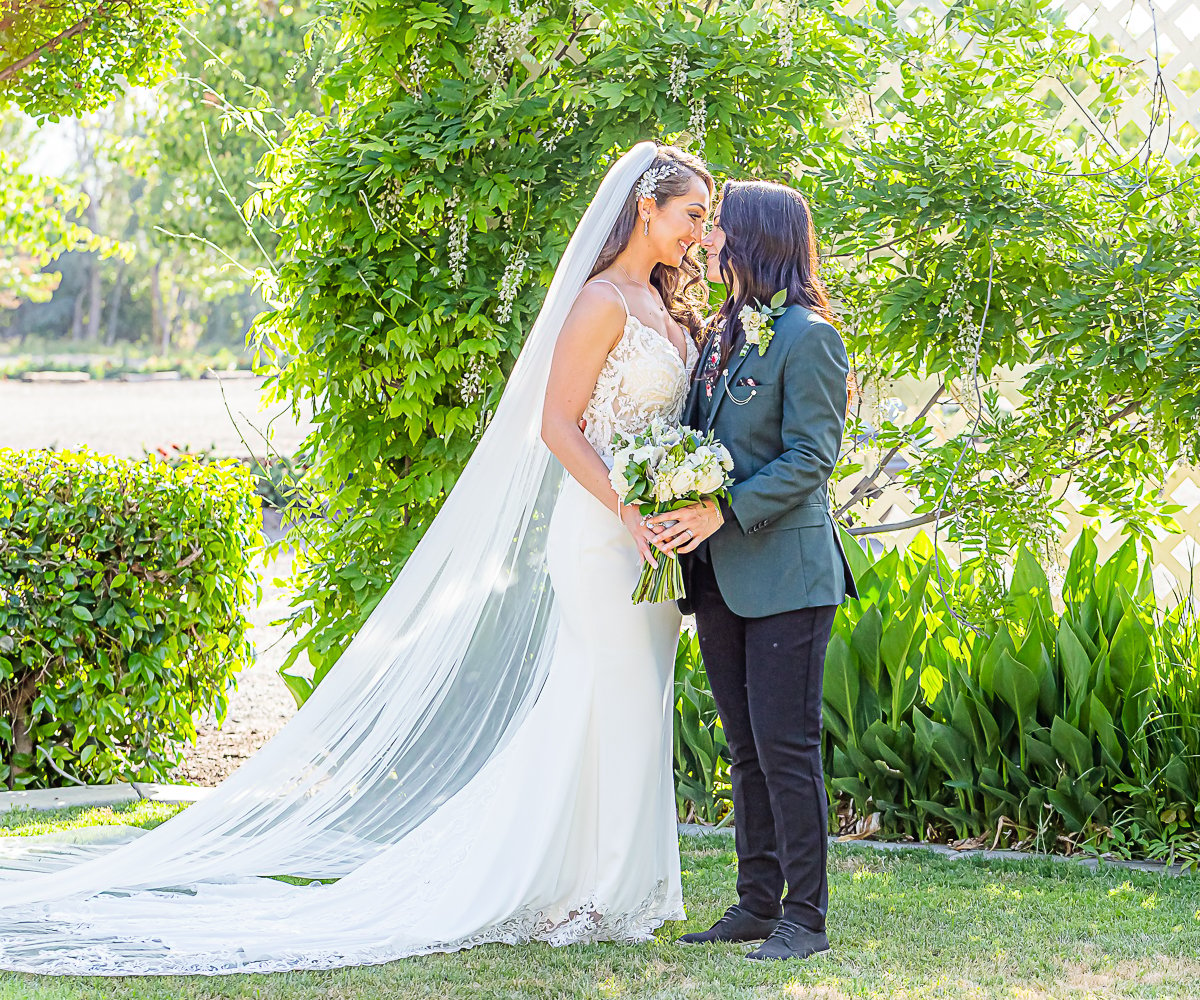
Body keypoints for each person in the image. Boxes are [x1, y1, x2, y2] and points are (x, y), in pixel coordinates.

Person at [0, 143, 712, 976]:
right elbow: (558, 425)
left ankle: (616, 884)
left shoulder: (667, 310)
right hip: (600, 534)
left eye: (704, 218)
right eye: (691, 214)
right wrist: (627, 506)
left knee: (631, 697)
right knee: (602, 693)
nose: (700, 233)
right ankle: (594, 892)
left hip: (653, 540)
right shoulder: (600, 303)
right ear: (644, 208)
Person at [649, 180, 858, 962]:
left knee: (786, 747)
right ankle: (755, 904)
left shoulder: (807, 337)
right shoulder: (725, 331)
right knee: (745, 748)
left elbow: (812, 458)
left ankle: (805, 918)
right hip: (720, 577)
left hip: (786, 576)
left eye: (721, 229)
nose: (710, 241)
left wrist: (721, 509)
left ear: (757, 237)